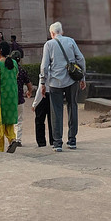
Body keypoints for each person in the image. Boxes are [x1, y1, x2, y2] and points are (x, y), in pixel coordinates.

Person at [37, 21, 86, 152]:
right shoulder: (70, 41)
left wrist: (42, 83)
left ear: (52, 33)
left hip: (55, 82)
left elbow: (44, 65)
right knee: (73, 107)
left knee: (56, 111)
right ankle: (72, 140)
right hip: (71, 80)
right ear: (61, 31)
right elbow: (80, 59)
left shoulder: (49, 44)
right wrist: (82, 77)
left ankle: (58, 142)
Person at [0, 42, 20, 153]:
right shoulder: (14, 63)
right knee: (9, 121)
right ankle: (12, 139)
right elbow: (15, 76)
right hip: (11, 97)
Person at [13, 49, 31, 146]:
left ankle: (11, 138)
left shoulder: (8, 70)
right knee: (19, 120)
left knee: (9, 120)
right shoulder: (22, 71)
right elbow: (29, 85)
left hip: (9, 98)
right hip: (19, 98)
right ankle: (18, 139)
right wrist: (29, 92)